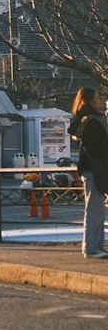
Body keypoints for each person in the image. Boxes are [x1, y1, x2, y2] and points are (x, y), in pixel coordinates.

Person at [69, 86, 108, 260]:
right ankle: (92, 248)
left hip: (91, 168)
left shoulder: (84, 121)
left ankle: (94, 247)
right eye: (98, 97)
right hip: (96, 169)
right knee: (95, 210)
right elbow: (99, 149)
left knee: (95, 209)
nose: (100, 100)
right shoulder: (93, 122)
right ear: (91, 100)